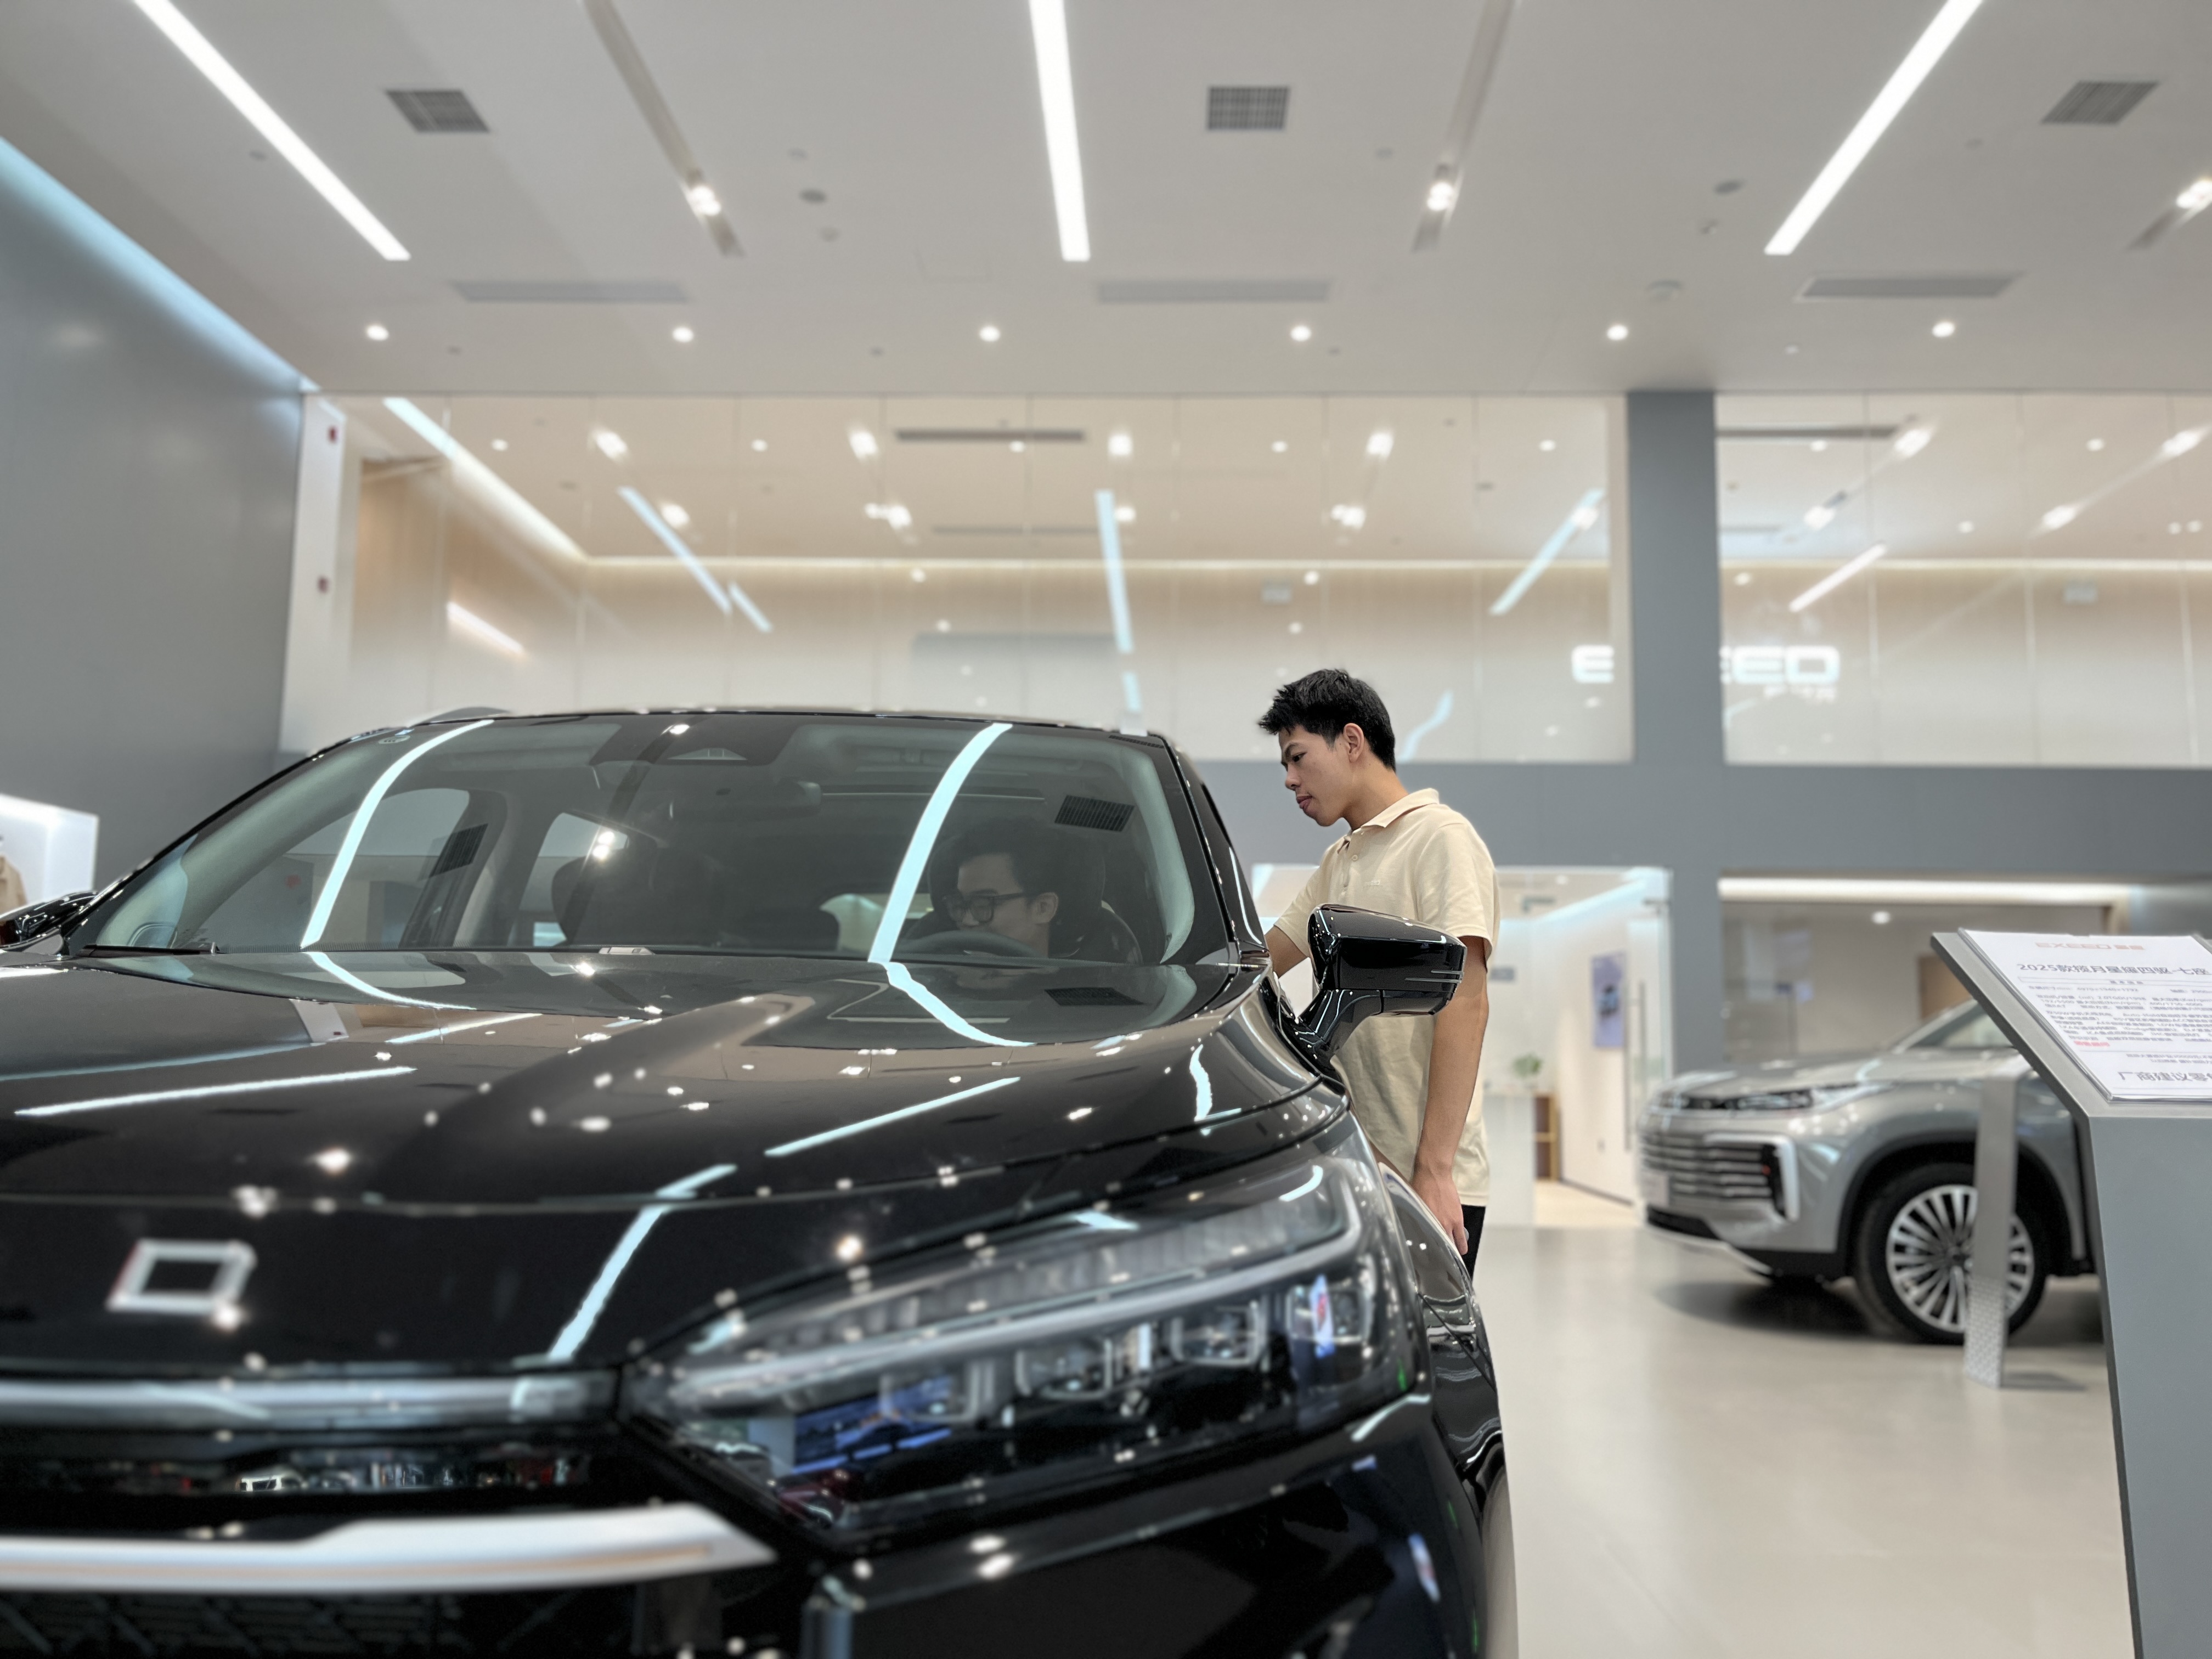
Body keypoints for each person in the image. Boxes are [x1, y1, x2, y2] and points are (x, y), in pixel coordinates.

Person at [1260, 670, 1498, 1268]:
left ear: (1351, 741)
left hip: (1424, 1180)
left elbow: (1467, 1001)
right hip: (1359, 1163)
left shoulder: (1441, 838)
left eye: (1297, 757)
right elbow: (1262, 960)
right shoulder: (1340, 858)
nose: (1289, 780)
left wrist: (1435, 1170)